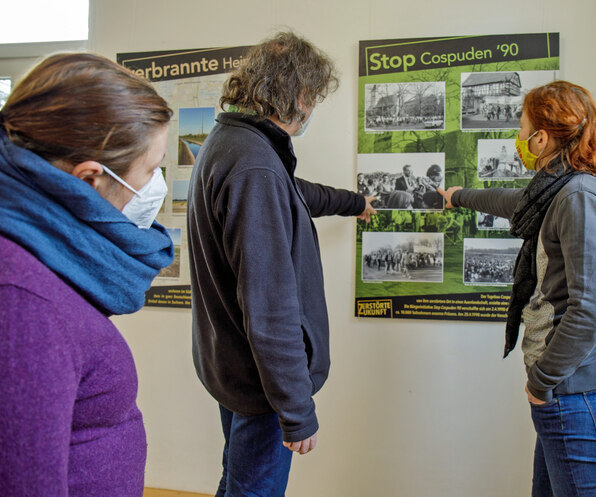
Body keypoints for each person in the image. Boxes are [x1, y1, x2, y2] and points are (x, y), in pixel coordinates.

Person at [187, 32, 375, 497]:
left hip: (233, 366)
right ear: (296, 95)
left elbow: (295, 194)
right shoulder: (255, 166)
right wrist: (295, 407)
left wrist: (355, 203)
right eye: (311, 96)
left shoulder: (232, 143)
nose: (311, 108)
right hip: (263, 385)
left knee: (236, 482)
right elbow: (269, 304)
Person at [439, 80, 596, 496]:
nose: (518, 139)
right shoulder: (554, 191)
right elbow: (513, 201)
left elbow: (591, 310)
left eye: (521, 130)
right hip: (567, 391)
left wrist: (542, 382)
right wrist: (458, 196)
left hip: (575, 393)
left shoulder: (577, 196)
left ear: (541, 138)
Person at [0, 53, 174, 496]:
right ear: (90, 179)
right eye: (151, 170)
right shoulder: (22, 301)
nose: (158, 185)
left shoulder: (43, 251)